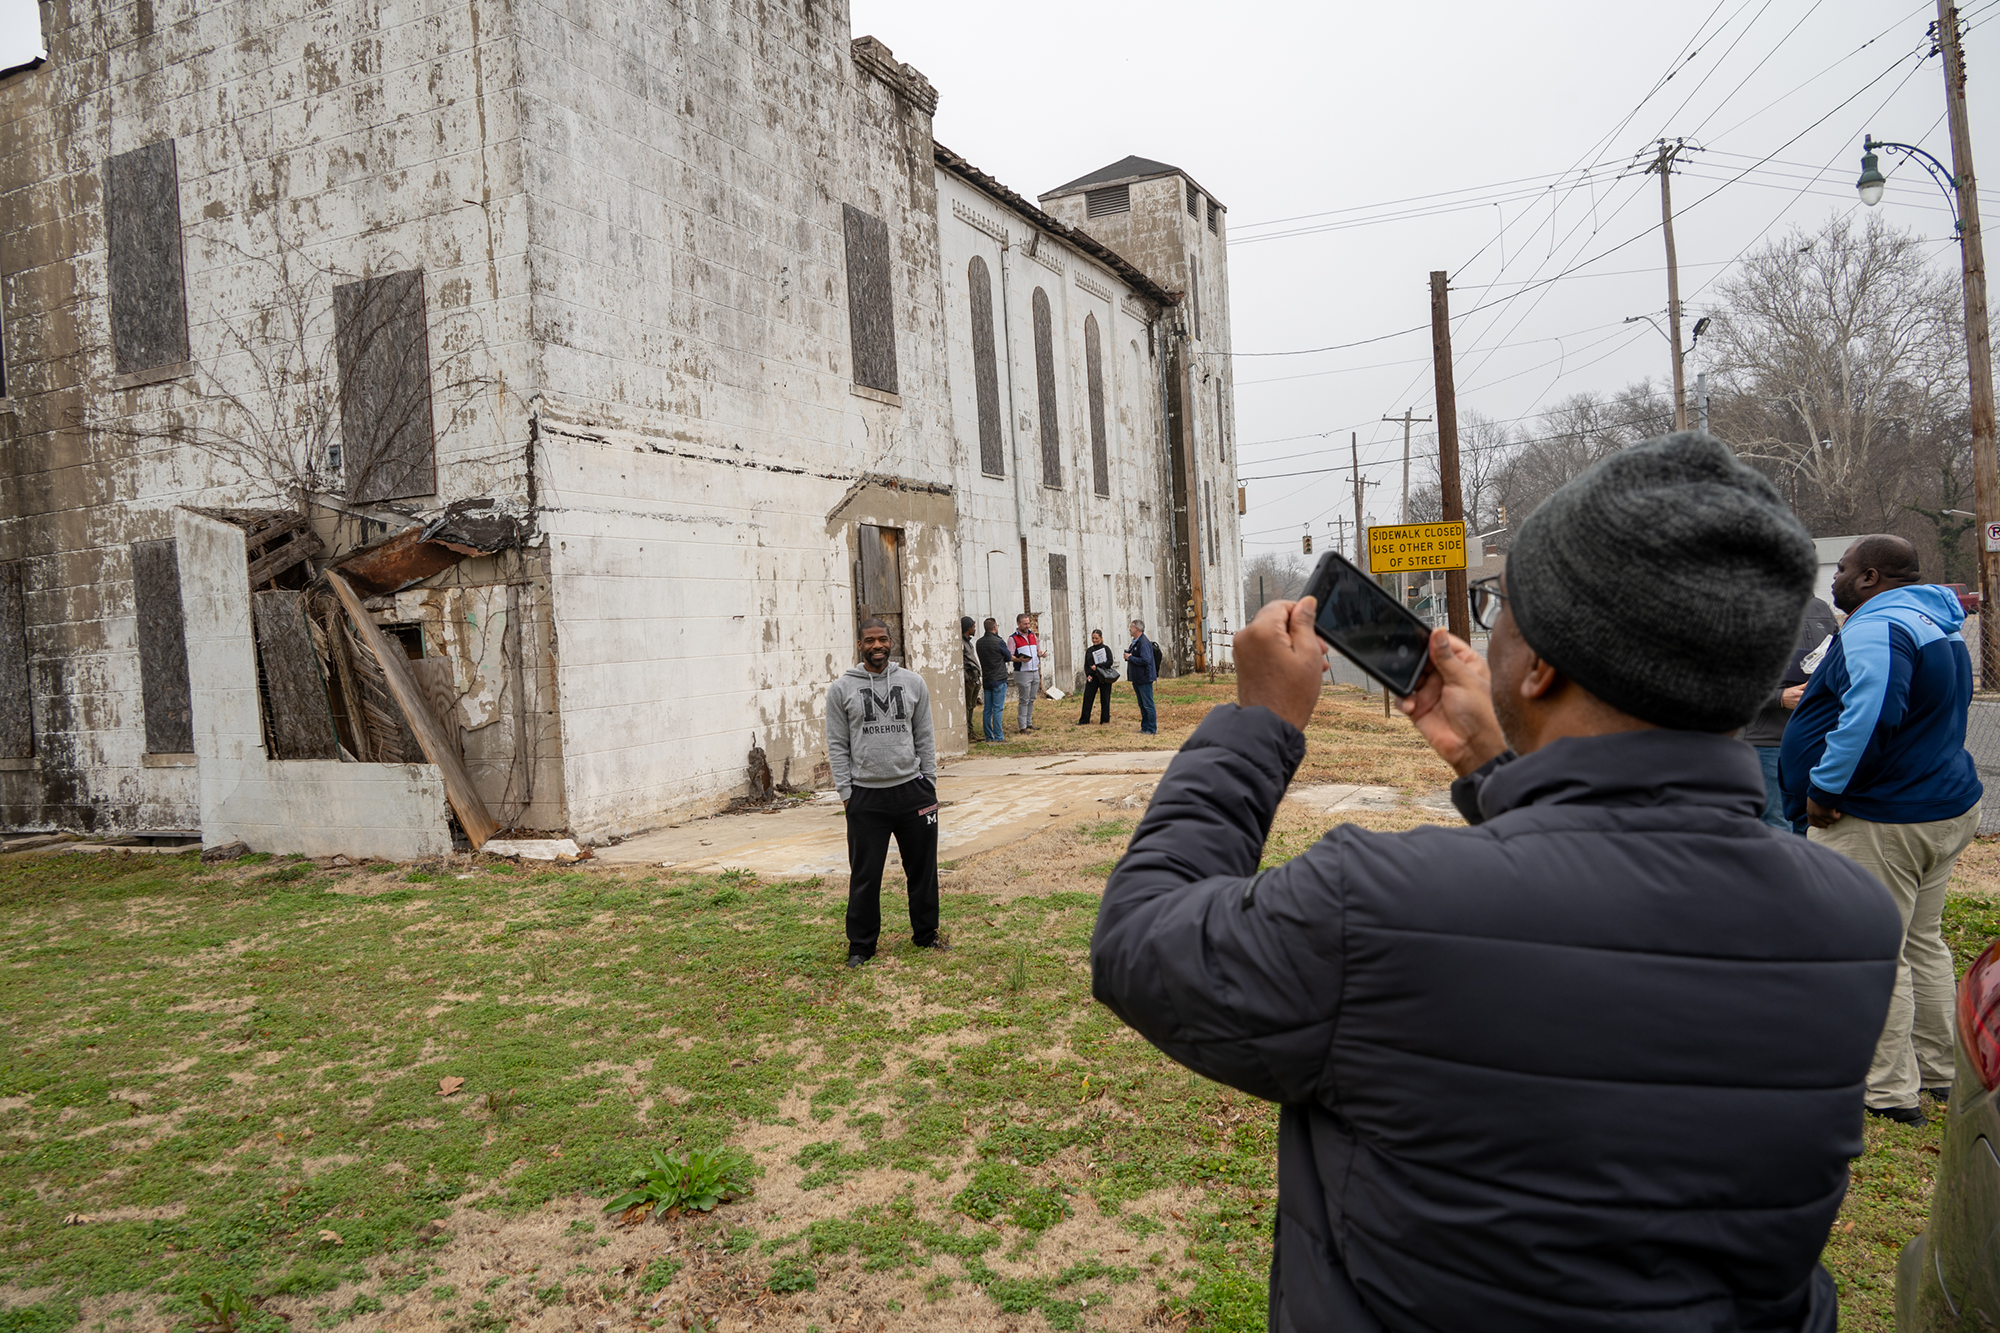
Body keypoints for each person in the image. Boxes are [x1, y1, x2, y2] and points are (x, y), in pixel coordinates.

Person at [1091, 434, 1899, 1333]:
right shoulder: (1852, 924)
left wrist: (1259, 722)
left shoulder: (1385, 902)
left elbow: (1143, 936)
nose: (1485, 628)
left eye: (1501, 606)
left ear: (1540, 663)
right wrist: (1497, 762)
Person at [1781, 534, 1983, 1126]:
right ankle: (1942, 1070)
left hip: (1882, 818)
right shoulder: (1935, 622)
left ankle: (1888, 1089)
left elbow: (1870, 714)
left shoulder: (1877, 625)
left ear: (1870, 577)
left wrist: (1824, 789)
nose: (1835, 578)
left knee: (1873, 950)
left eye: (1842, 569)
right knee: (1922, 941)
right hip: (1939, 807)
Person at [824, 617, 944, 968]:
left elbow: (925, 735)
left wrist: (929, 782)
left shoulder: (912, 682)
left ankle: (926, 935)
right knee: (865, 874)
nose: (877, 645)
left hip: (913, 792)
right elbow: (837, 744)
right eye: (869, 640)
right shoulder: (841, 689)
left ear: (892, 642)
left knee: (923, 870)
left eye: (883, 640)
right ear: (859, 645)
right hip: (866, 797)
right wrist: (847, 793)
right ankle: (861, 947)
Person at [1742, 595, 1840, 832]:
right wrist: (1778, 698)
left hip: (1816, 736)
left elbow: (1836, 657)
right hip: (1768, 740)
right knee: (1778, 824)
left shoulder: (1819, 607)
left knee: (1814, 823)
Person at [976, 617, 1011, 743]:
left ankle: (988, 736)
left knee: (987, 709)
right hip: (999, 677)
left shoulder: (979, 643)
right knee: (998, 709)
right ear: (995, 627)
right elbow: (1008, 656)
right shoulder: (998, 642)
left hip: (987, 678)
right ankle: (999, 736)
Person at [1124, 619, 1158, 734]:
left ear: (1137, 628)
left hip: (1144, 678)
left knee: (1148, 704)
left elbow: (1145, 659)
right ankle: (1145, 727)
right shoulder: (1135, 642)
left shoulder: (1143, 642)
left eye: (1131, 627)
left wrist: (1130, 658)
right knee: (1142, 704)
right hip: (1137, 677)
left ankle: (1151, 729)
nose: (1130, 629)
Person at [1009, 613, 1041, 732]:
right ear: (1018, 624)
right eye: (1025, 624)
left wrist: (1041, 654)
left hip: (1034, 670)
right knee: (1024, 699)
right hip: (1022, 672)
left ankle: (1029, 722)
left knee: (1032, 698)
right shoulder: (1013, 638)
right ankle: (1022, 726)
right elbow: (1009, 655)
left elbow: (1037, 649)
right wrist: (1019, 659)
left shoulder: (1033, 635)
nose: (1027, 626)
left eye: (1028, 623)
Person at [1079, 630, 1117, 725]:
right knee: (1088, 698)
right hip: (1093, 677)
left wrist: (1098, 666)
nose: (1094, 640)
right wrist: (1088, 674)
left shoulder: (1106, 649)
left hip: (1104, 677)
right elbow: (1086, 665)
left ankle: (1104, 720)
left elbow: (1110, 662)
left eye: (1096, 638)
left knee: (1105, 699)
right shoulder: (1090, 650)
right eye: (1093, 638)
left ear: (1101, 638)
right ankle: (1084, 719)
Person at [961, 616, 982, 745]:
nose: (975, 629)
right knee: (968, 705)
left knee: (972, 705)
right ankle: (967, 732)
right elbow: (961, 662)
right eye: (973, 627)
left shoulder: (968, 642)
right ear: (968, 628)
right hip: (969, 676)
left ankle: (971, 730)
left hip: (974, 677)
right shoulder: (961, 644)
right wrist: (966, 677)